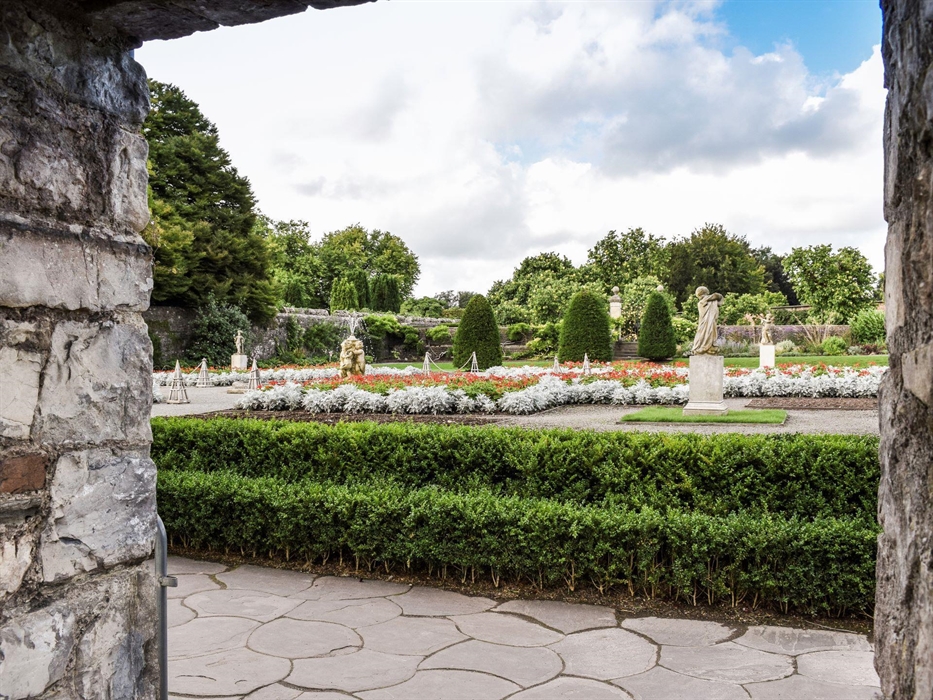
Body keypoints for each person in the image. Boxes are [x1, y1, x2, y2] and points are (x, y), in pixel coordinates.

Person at [691, 286, 723, 355]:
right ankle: (703, 347)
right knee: (704, 333)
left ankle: (709, 346)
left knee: (708, 333)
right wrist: (709, 298)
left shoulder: (712, 301)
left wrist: (709, 298)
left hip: (710, 322)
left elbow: (719, 297)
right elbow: (718, 297)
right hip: (705, 323)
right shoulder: (702, 303)